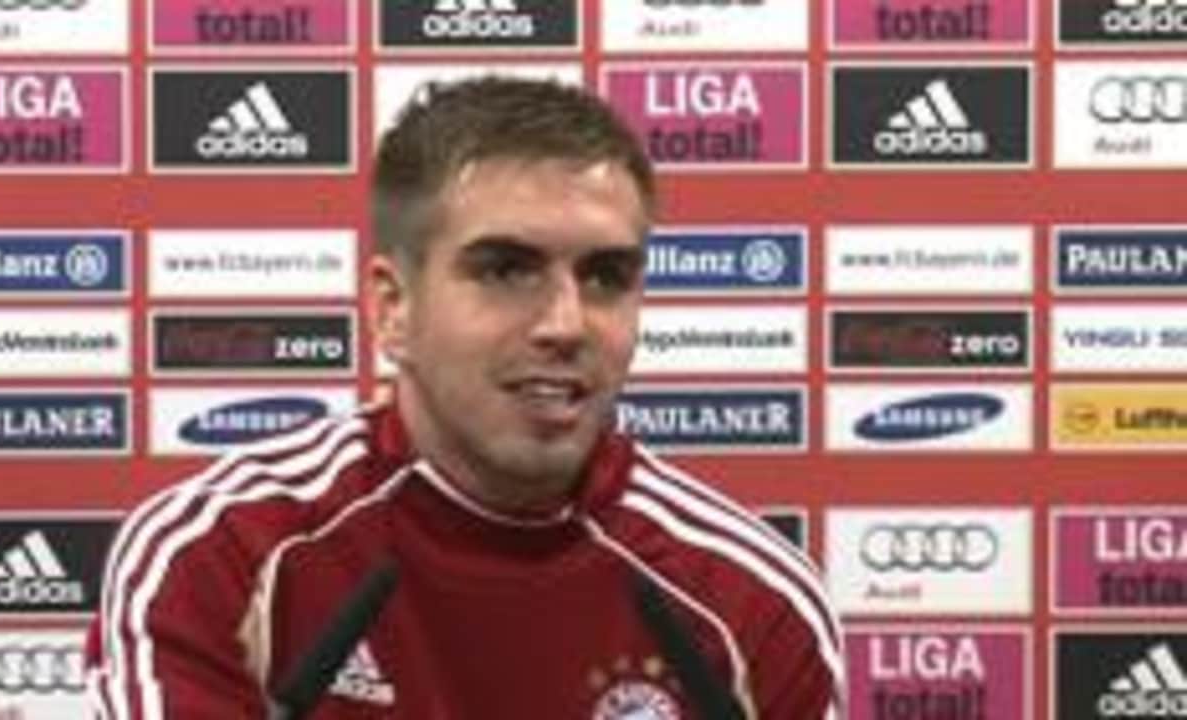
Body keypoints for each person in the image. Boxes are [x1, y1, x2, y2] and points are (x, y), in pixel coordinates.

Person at [87, 76, 844, 719]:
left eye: (605, 277)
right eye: (505, 270)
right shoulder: (222, 554)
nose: (565, 324)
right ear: (392, 308)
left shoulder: (751, 600)